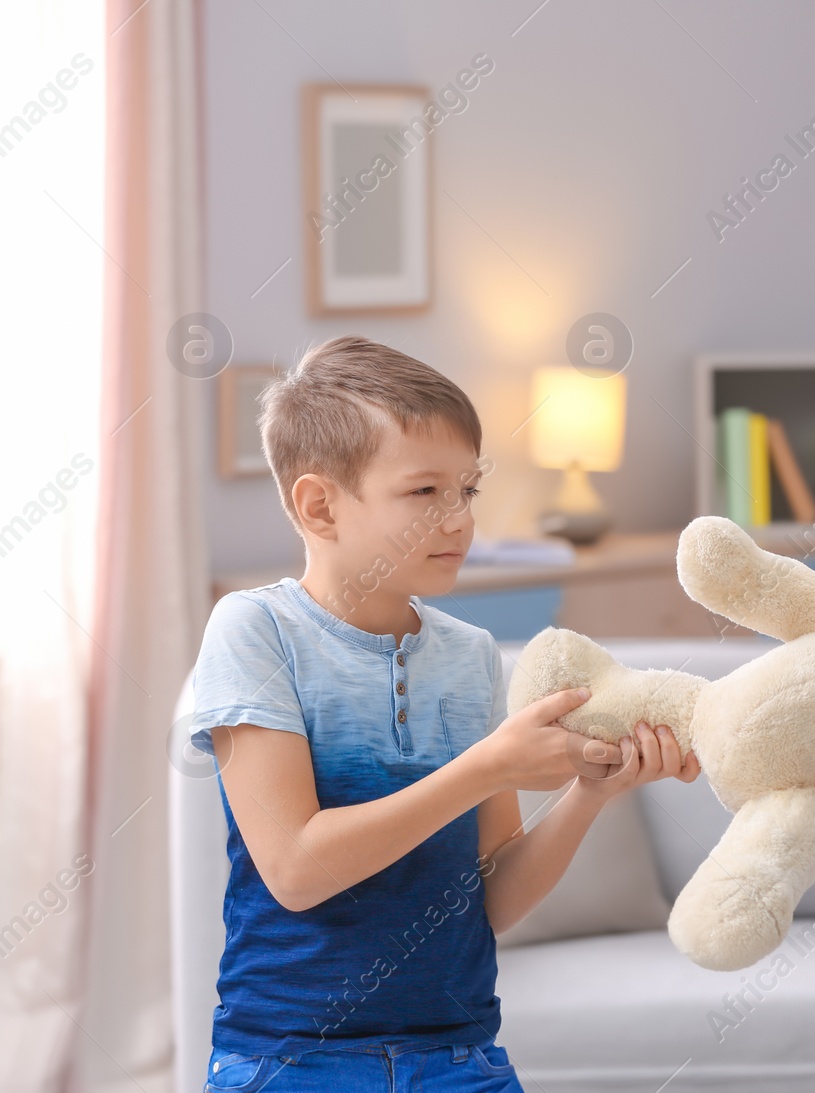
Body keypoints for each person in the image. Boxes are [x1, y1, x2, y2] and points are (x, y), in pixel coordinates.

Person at [187, 336, 700, 1092]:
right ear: (319, 505)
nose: (460, 520)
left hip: (460, 1056)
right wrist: (489, 764)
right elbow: (295, 869)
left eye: (469, 490)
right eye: (426, 492)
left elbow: (494, 895)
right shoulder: (255, 631)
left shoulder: (469, 655)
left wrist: (590, 793)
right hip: (289, 1059)